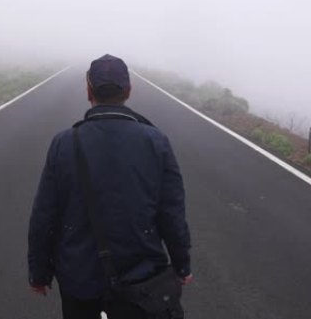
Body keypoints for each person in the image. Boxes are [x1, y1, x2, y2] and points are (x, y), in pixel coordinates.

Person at [27, 54, 193, 319]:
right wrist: (182, 265)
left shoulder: (65, 143)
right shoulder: (156, 141)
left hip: (79, 280)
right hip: (143, 283)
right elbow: (172, 213)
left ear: (88, 91)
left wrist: (39, 272)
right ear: (128, 90)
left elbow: (44, 215)